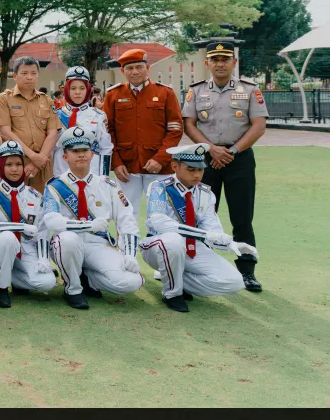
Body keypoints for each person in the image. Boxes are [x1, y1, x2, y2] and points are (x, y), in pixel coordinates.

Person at [181, 42, 267, 292]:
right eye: (215, 59)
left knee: (242, 217)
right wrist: (212, 149)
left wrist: (231, 151)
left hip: (239, 159)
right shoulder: (196, 91)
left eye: (225, 59)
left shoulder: (250, 90)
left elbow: (258, 125)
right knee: (202, 215)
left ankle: (247, 271)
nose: (220, 64)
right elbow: (189, 125)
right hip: (205, 159)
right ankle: (199, 269)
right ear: (207, 63)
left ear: (234, 63)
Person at [140, 143, 255, 312]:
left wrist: (230, 244)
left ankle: (176, 279)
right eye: (191, 169)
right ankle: (172, 293)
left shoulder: (206, 194)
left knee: (234, 282)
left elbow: (213, 231)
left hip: (192, 247)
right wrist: (204, 234)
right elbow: (159, 223)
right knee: (173, 241)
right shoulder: (159, 187)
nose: (197, 175)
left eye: (200, 170)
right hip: (157, 248)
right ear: (174, 166)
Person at [42, 127, 143, 309]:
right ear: (65, 157)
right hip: (67, 246)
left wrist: (130, 254)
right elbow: (51, 220)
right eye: (75, 151)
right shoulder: (55, 186)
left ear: (92, 155)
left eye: (84, 150)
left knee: (131, 282)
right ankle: (73, 289)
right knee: (68, 239)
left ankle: (88, 277)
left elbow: (126, 220)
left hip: (97, 245)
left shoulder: (108, 185)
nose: (80, 155)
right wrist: (88, 225)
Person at [102, 48, 183, 221]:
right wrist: (115, 163)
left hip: (160, 167)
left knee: (163, 216)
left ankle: (160, 248)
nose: (135, 72)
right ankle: (126, 249)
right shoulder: (113, 95)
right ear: (122, 71)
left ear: (148, 68)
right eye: (130, 68)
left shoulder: (165, 93)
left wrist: (160, 159)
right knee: (125, 216)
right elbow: (107, 132)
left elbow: (175, 130)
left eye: (139, 67)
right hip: (126, 167)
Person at [0, 140, 55, 308]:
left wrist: (43, 258)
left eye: (18, 164)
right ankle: (1, 288)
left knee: (47, 282)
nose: (14, 169)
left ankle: (13, 277)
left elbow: (42, 231)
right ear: (1, 166)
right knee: (7, 238)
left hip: (26, 248)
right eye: (9, 164)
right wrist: (21, 227)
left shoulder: (35, 196)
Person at [0, 56, 62, 195]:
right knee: (14, 203)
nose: (29, 77)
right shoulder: (4, 99)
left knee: (43, 204)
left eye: (33, 73)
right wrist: (32, 157)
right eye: (24, 73)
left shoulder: (46, 100)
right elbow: (5, 132)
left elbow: (53, 133)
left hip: (43, 163)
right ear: (15, 76)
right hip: (15, 163)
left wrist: (39, 159)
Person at [53, 66, 113, 177]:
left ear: (88, 90)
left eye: (82, 88)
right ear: (66, 90)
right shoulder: (56, 115)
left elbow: (106, 149)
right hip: (61, 175)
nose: (77, 92)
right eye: (73, 88)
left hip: (91, 176)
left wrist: (103, 179)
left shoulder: (99, 116)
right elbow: (51, 150)